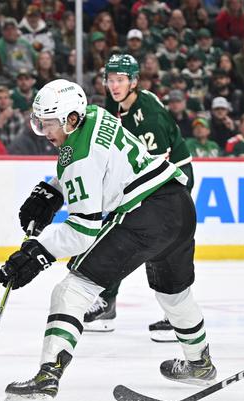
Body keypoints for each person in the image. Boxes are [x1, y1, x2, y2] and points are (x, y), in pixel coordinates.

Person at [0, 79, 216, 401]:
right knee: (173, 294)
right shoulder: (96, 114)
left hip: (145, 216)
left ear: (72, 119)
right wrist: (53, 189)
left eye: (49, 123)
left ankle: (46, 378)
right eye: (39, 122)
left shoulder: (76, 157)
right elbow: (100, 164)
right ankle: (199, 362)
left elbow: (83, 230)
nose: (43, 130)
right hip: (178, 205)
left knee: (73, 290)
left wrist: (37, 252)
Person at [96, 54, 194, 341]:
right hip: (146, 174)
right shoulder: (115, 102)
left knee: (160, 243)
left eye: (120, 80)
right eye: (110, 80)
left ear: (134, 82)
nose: (114, 86)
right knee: (123, 235)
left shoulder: (147, 114)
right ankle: (107, 303)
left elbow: (156, 164)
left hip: (170, 178)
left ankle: (176, 316)